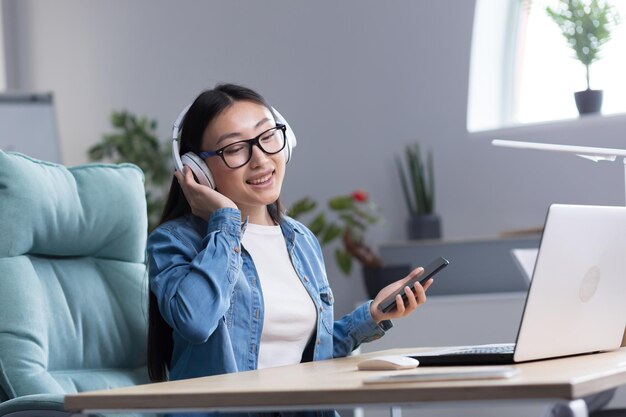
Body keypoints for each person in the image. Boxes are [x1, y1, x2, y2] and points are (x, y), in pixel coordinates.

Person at [146, 83, 433, 415]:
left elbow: (308, 356)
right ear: (198, 170)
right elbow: (196, 321)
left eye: (268, 137)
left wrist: (373, 315)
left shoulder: (301, 239)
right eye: (235, 148)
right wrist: (224, 221)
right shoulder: (174, 241)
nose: (260, 159)